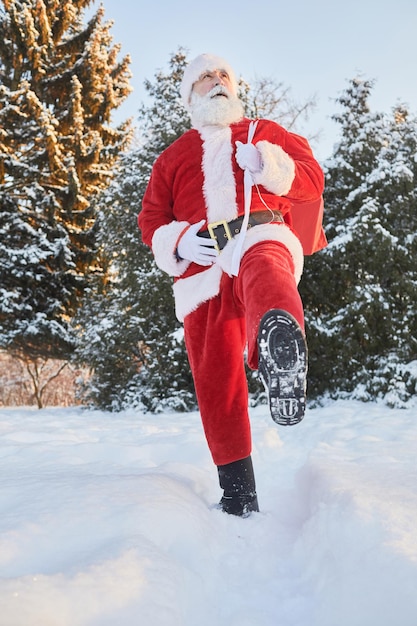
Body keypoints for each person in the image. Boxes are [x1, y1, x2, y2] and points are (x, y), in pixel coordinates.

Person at [138, 53, 325, 517]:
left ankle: (282, 345)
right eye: (205, 76)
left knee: (268, 274)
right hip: (200, 271)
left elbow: (312, 180)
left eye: (223, 74)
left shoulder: (266, 134)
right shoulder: (172, 158)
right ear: (190, 94)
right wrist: (179, 240)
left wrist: (268, 165)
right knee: (214, 378)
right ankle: (239, 493)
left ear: (234, 86)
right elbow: (151, 220)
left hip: (258, 232)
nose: (217, 80)